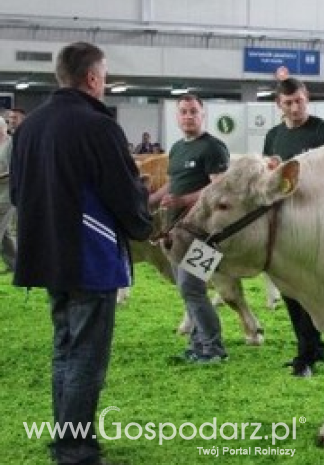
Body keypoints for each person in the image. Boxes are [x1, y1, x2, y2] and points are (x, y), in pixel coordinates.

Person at [10, 41, 152, 465]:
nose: (105, 83)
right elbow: (124, 194)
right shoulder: (99, 126)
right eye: (104, 75)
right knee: (87, 356)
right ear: (92, 77)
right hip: (88, 256)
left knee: (65, 348)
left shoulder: (28, 127)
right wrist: (144, 223)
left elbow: (17, 193)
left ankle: (64, 435)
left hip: (46, 254)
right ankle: (74, 448)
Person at [263, 77, 324, 377]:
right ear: (278, 105)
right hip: (286, 222)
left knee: (311, 288)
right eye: (288, 103)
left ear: (307, 98)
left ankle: (310, 351)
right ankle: (308, 349)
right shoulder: (273, 136)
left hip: (318, 222)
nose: (295, 108)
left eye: (300, 101)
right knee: (289, 287)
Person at [149, 94, 230, 364]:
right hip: (174, 232)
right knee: (188, 291)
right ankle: (198, 346)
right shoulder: (177, 149)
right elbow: (171, 186)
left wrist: (184, 200)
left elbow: (218, 189)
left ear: (203, 114)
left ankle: (214, 348)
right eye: (183, 112)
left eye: (193, 111)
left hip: (205, 234)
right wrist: (148, 201)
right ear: (177, 116)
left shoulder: (214, 148)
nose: (188, 116)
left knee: (192, 289)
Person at [0, 117, 15, 272]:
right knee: (5, 234)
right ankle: (14, 264)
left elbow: (14, 169)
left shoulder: (11, 144)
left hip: (7, 193)